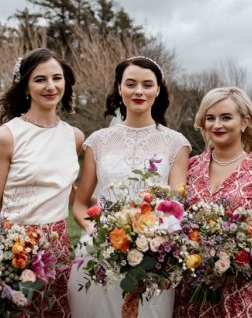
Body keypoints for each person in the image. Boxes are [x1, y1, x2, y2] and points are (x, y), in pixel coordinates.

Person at [0, 48, 84, 317]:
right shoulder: (7, 136)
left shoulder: (74, 136)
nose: (51, 86)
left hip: (58, 248)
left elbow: (64, 187)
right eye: (40, 79)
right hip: (15, 247)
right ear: (26, 86)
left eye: (57, 78)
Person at [68, 56, 191, 318]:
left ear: (158, 90)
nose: (139, 91)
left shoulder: (176, 144)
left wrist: (152, 241)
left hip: (153, 256)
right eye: (131, 84)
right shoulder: (98, 142)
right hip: (100, 251)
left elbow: (177, 205)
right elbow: (80, 203)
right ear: (119, 88)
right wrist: (96, 232)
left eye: (147, 84)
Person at [174, 87, 252, 318]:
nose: (216, 125)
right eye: (210, 118)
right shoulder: (191, 167)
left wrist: (231, 269)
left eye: (226, 117)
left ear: (244, 121)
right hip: (190, 292)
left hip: (239, 294)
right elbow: (175, 219)